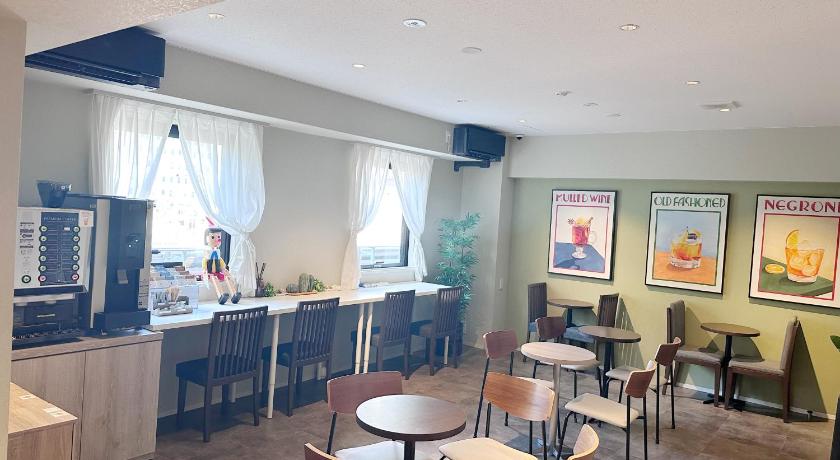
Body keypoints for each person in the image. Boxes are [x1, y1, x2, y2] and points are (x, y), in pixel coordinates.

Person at [203, 227, 241, 305]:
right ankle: (220, 295)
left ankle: (234, 294)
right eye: (213, 237)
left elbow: (222, 265)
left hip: (217, 272)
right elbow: (204, 266)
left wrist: (224, 270)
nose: (216, 239)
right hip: (210, 274)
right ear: (207, 239)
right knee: (214, 279)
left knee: (227, 277)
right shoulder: (207, 256)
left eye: (218, 237)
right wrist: (205, 271)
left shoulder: (218, 255)